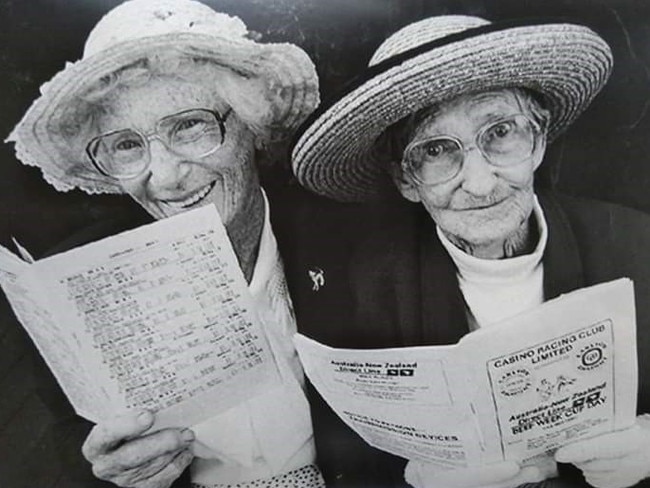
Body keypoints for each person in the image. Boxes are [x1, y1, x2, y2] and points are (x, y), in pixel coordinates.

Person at [289, 15, 650, 488]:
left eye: (501, 133)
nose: (480, 184)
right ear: (405, 180)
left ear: (538, 139)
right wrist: (415, 481)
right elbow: (353, 462)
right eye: (436, 151)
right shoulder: (365, 286)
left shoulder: (635, 244)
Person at [6, 0, 324, 487]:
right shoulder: (71, 289)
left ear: (251, 123)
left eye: (190, 125)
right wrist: (106, 470)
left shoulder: (351, 243)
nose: (166, 176)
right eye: (128, 145)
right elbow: (68, 437)